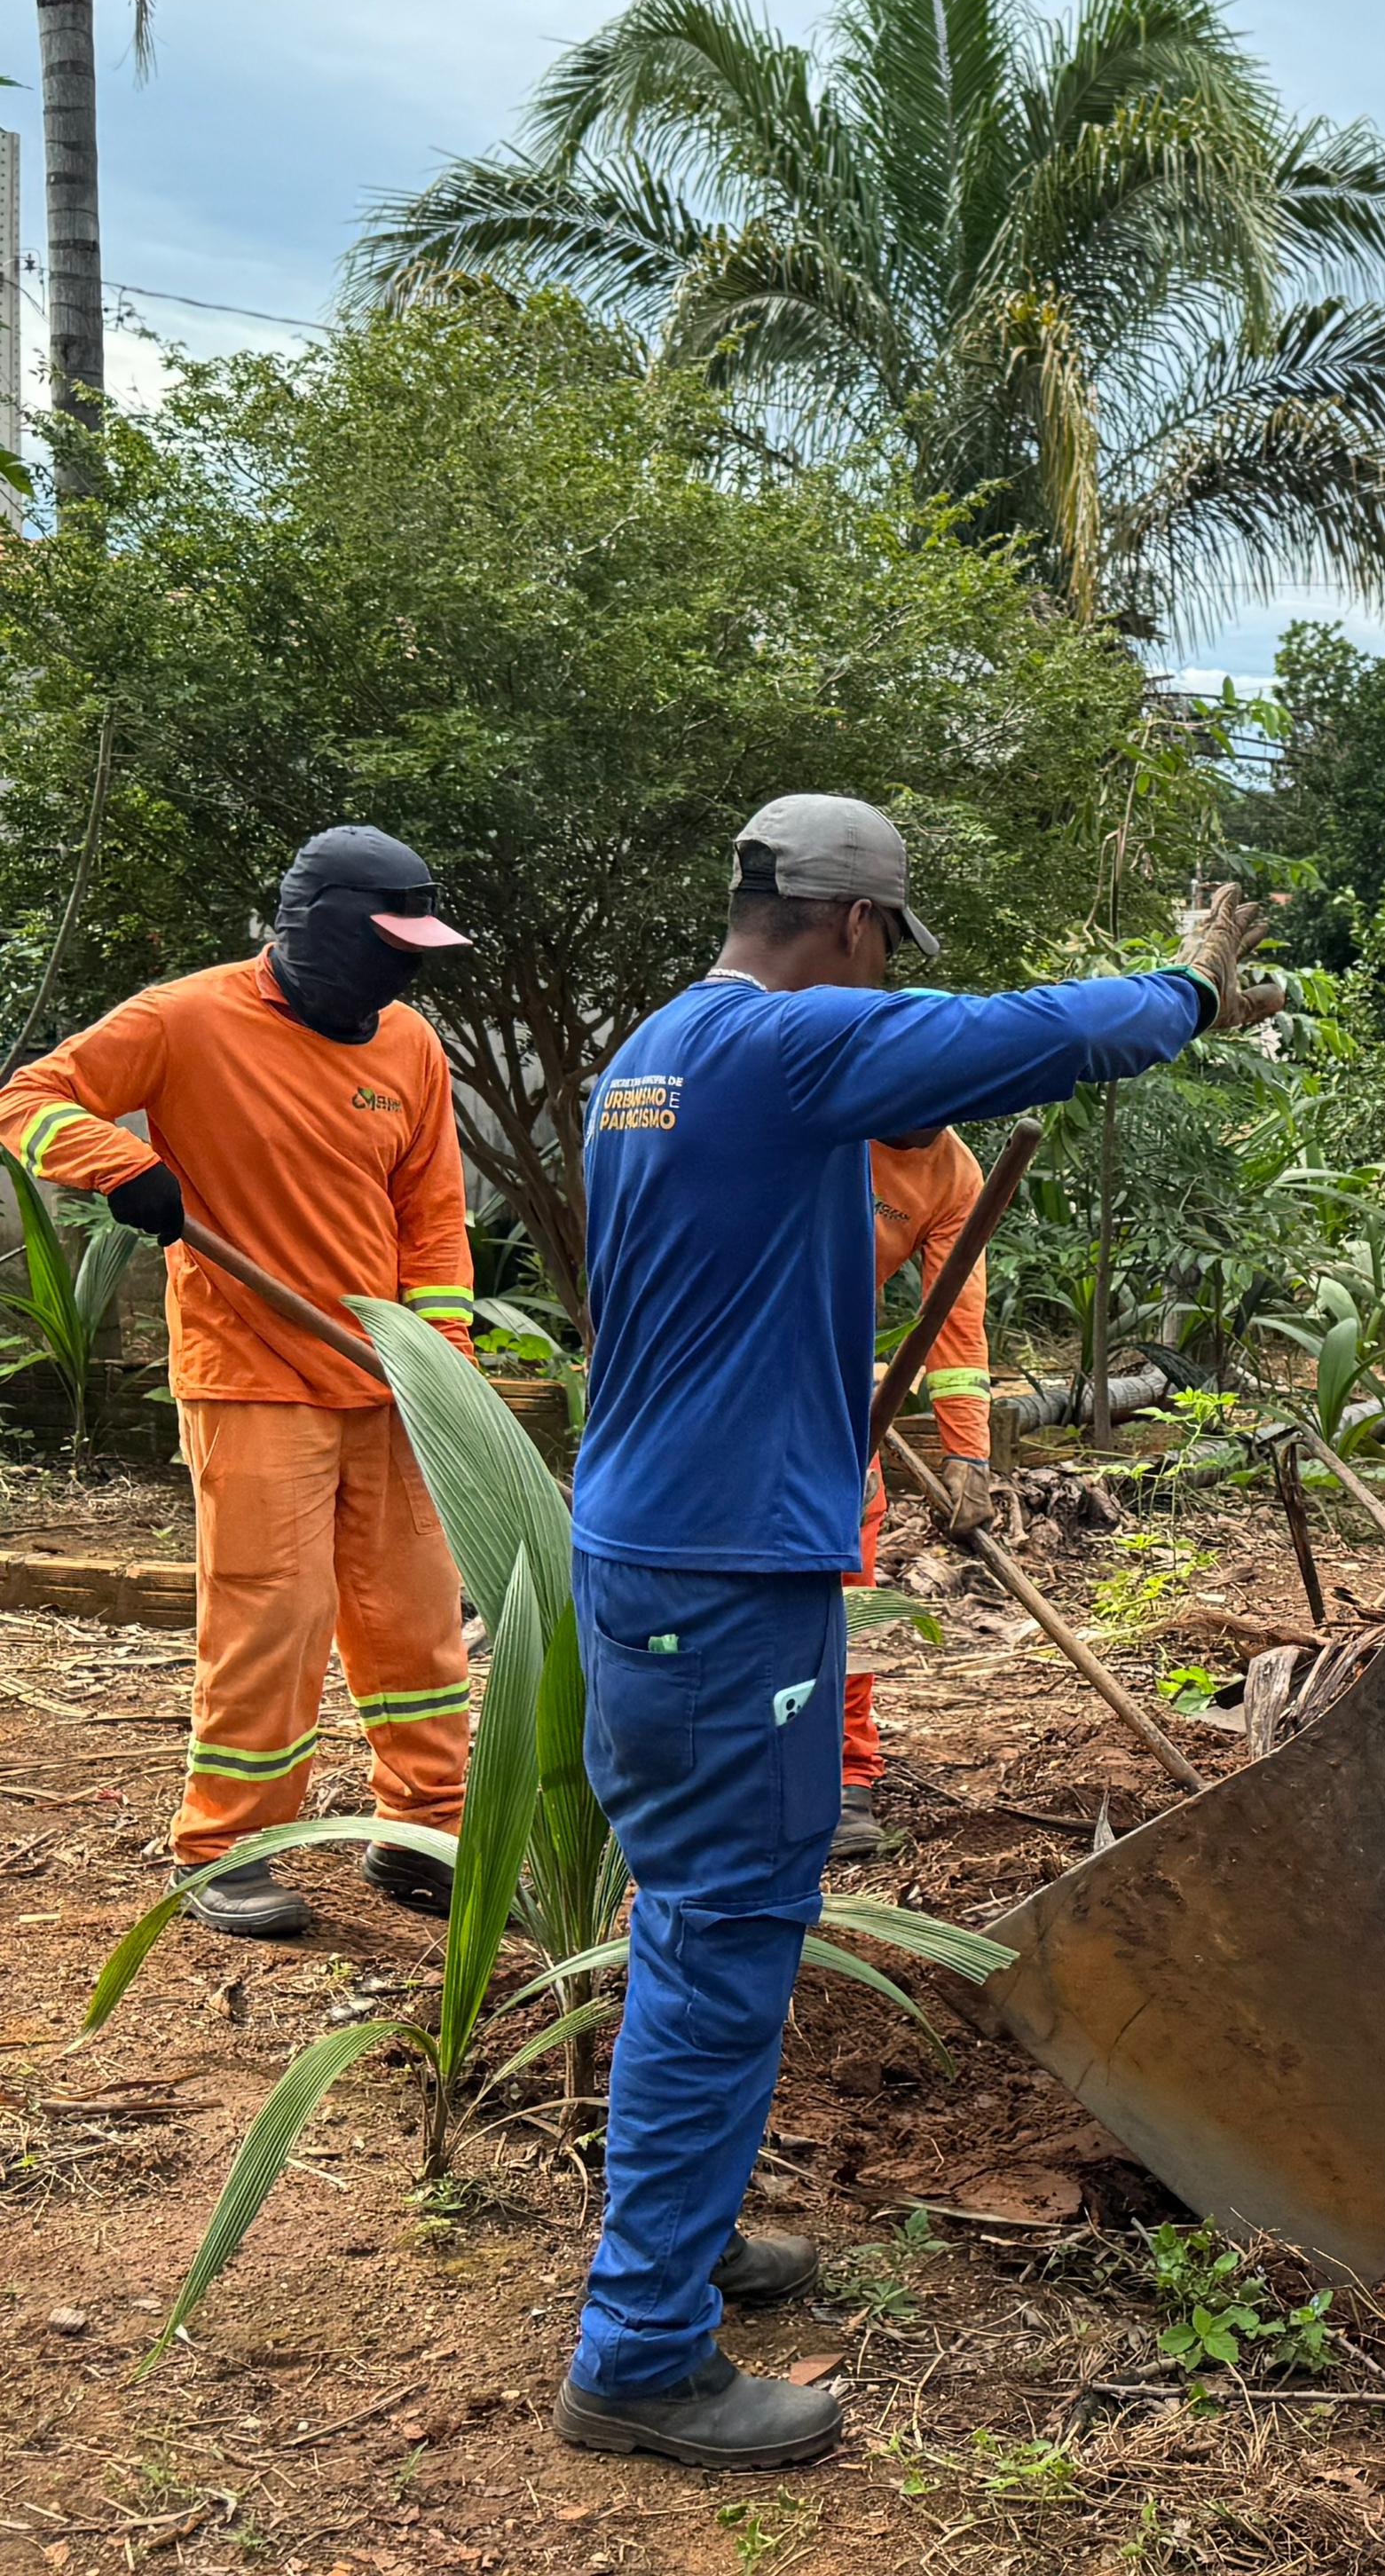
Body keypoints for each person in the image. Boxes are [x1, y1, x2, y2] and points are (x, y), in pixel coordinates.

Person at [553, 796, 1278, 2471]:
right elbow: (1017, 1037)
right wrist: (1185, 991)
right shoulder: (782, 1047)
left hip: (672, 1545)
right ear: (856, 930)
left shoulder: (659, 1046)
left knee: (705, 1920)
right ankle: (643, 2353)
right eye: (887, 951)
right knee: (727, 1937)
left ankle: (688, 2239)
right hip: (723, 1577)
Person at [0, 826, 480, 1937]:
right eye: (388, 944)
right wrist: (121, 1167)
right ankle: (231, 1845)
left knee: (416, 1625)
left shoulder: (409, 1045)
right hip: (253, 1373)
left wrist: (441, 1362)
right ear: (317, 928)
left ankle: (423, 1832)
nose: (404, 971)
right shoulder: (186, 1017)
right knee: (276, 1613)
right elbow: (28, 1096)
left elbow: (435, 1216)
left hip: (387, 1376)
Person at [836, 1123, 1002, 1860]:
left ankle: (843, 1777)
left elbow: (956, 1321)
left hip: (833, 1376)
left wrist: (967, 1451)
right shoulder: (825, 1107)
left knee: (848, 1579)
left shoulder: (954, 1175)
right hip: (730, 1348)